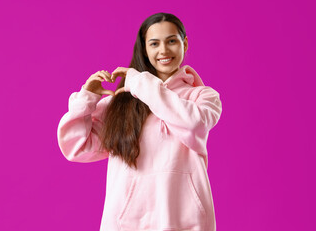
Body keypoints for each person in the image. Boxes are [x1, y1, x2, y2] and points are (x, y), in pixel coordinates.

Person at [57, 12, 222, 231]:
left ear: (185, 43)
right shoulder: (123, 101)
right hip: (126, 223)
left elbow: (193, 125)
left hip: (185, 222)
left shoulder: (203, 97)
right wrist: (86, 98)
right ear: (144, 48)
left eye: (171, 41)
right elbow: (75, 146)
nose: (163, 51)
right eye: (154, 44)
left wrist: (143, 85)